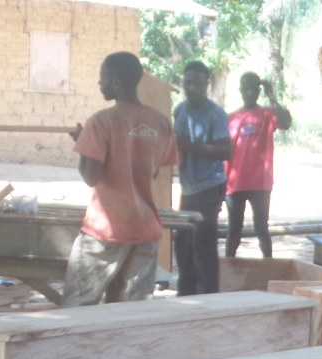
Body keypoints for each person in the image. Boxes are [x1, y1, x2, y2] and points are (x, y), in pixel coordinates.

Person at [62, 51, 177, 307]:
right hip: (145, 228)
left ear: (116, 83)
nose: (99, 84)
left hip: (106, 230)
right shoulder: (160, 122)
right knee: (131, 312)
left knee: (78, 307)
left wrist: (84, 143)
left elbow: (91, 177)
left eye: (102, 79)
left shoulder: (101, 122)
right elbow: (153, 172)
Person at [172, 60, 230, 295]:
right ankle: (186, 294)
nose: (191, 87)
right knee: (182, 242)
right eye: (187, 83)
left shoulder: (215, 114)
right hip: (188, 188)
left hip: (210, 186)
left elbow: (227, 151)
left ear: (207, 84)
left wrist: (190, 146)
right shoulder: (180, 110)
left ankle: (209, 297)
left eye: (197, 83)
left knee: (203, 243)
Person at [225, 72, 292, 258]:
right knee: (234, 230)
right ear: (240, 91)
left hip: (260, 184)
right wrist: (223, 183)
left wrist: (272, 96)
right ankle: (228, 267)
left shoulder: (267, 114)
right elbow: (226, 152)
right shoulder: (231, 118)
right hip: (235, 183)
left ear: (258, 91)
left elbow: (286, 123)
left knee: (262, 228)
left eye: (254, 89)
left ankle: (268, 266)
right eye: (245, 89)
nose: (249, 93)